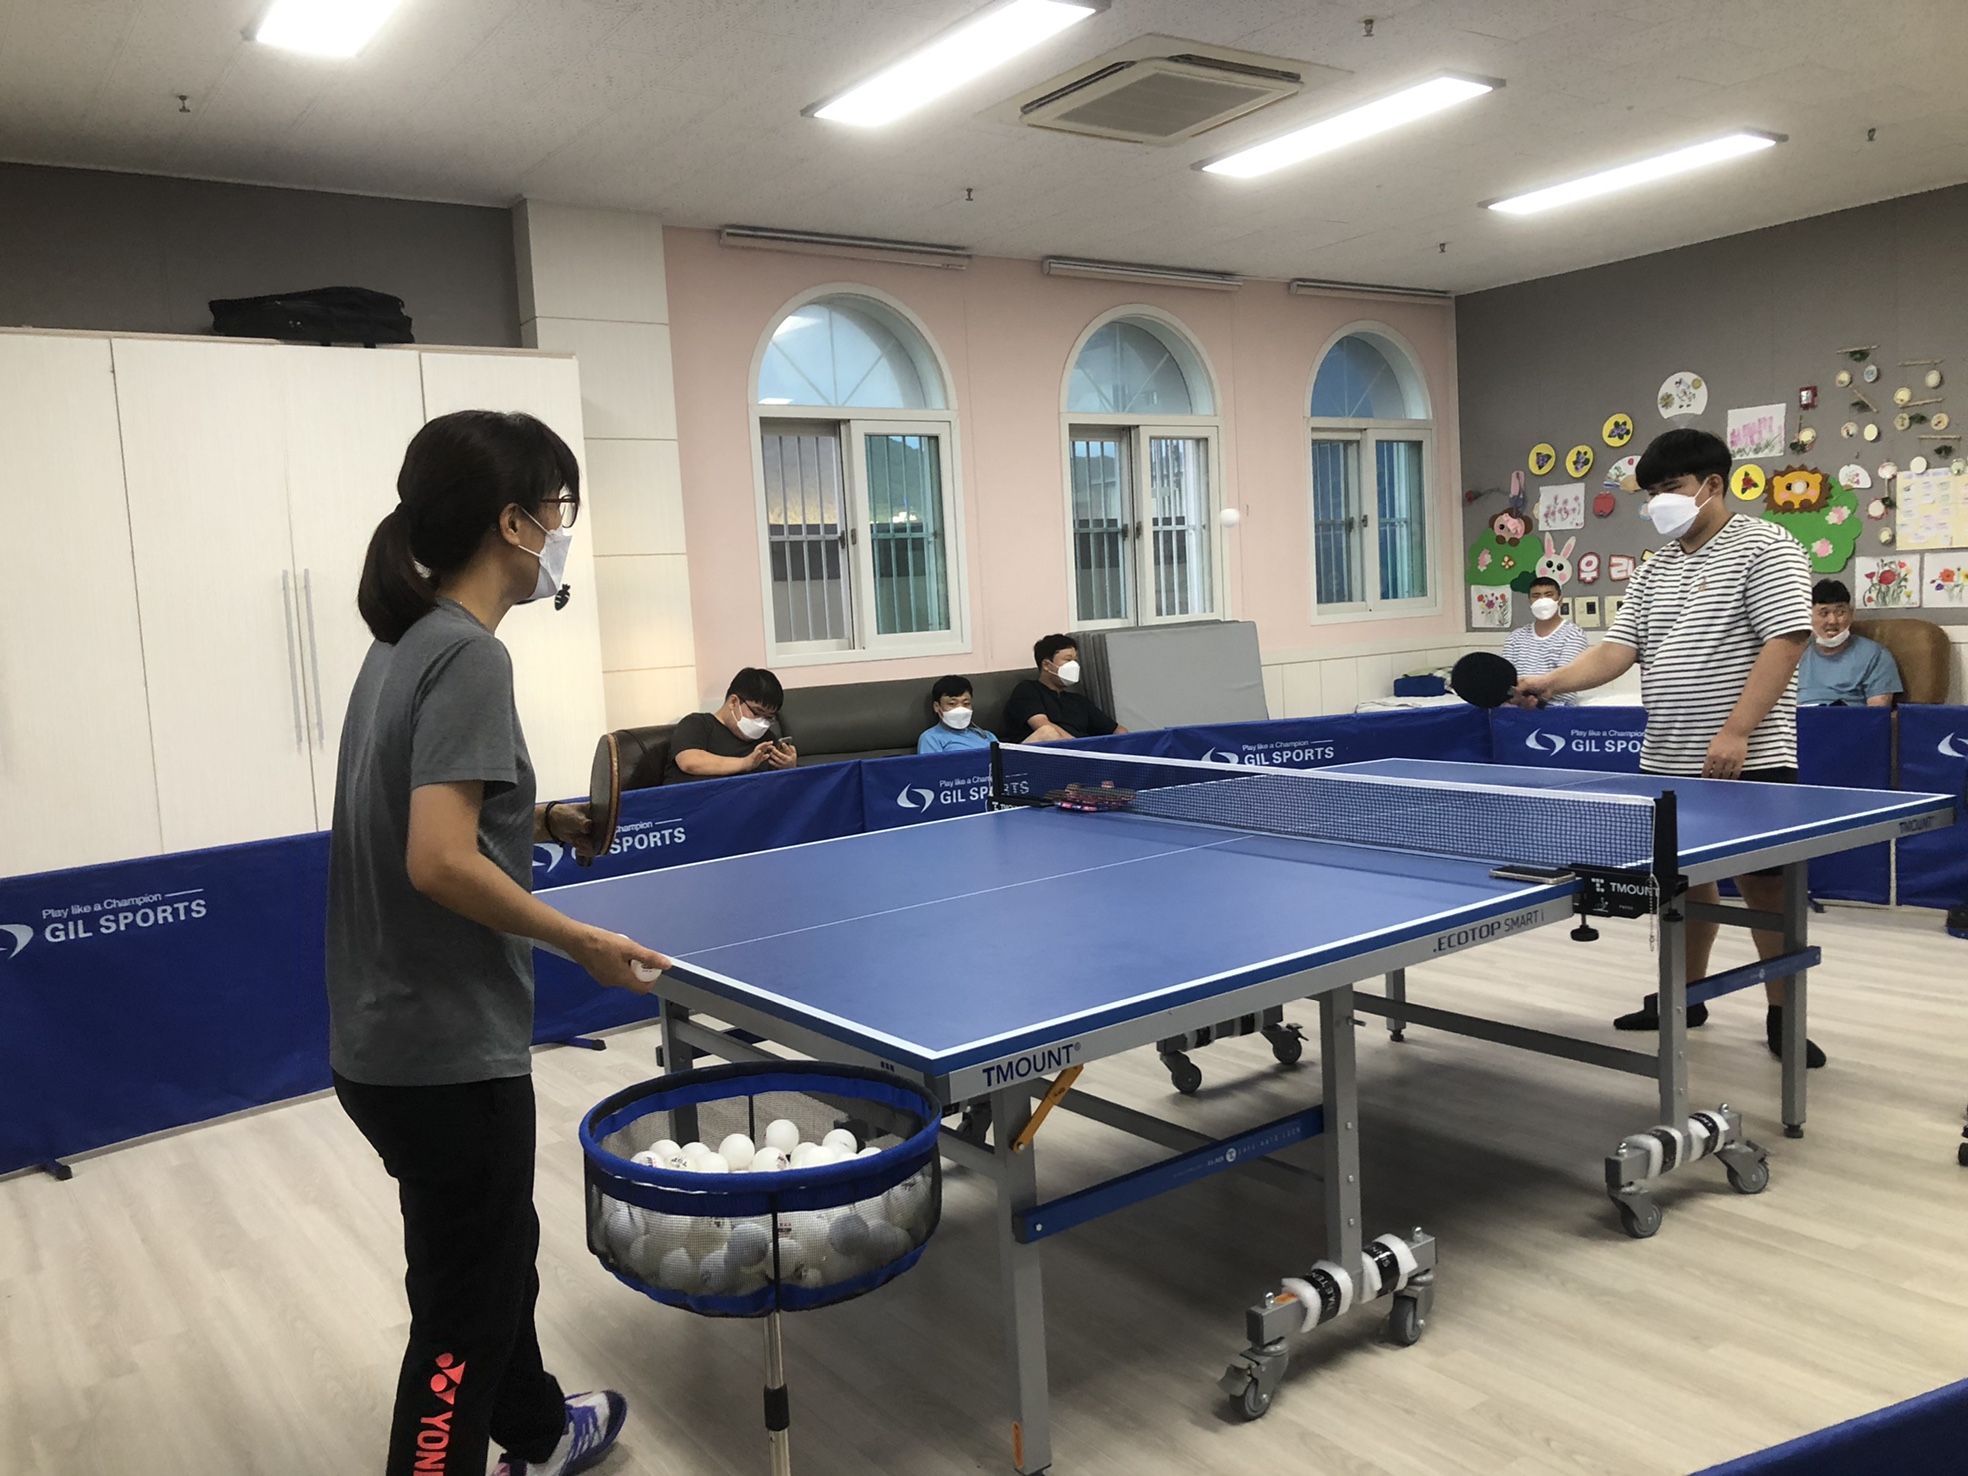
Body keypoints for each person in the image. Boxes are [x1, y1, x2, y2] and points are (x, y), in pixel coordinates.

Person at [332, 411, 669, 1476]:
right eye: (558, 507)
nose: (564, 530)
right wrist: (580, 941)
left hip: (383, 1040)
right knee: (463, 1308)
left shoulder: (404, 643)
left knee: (481, 1265)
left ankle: (536, 1434)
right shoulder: (471, 658)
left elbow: (435, 815)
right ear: (514, 524)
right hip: (446, 1051)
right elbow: (437, 860)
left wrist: (546, 819)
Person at [1513, 428, 1824, 1067]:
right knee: (1683, 886)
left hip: (1751, 755)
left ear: (1713, 484)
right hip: (1666, 758)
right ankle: (1685, 998)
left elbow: (1788, 640)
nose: (1659, 502)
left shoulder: (1768, 546)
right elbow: (1616, 650)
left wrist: (1737, 731)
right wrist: (1550, 681)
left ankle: (1783, 1014)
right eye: (1651, 492)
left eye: (1671, 487)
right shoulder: (1656, 567)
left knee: (1766, 889)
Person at [664, 668, 797, 783]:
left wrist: (789, 769)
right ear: (733, 702)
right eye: (757, 713)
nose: (762, 723)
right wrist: (745, 763)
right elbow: (689, 762)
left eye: (768, 717)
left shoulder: (767, 740)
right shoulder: (697, 724)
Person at [1796, 578, 1901, 707]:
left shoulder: (1875, 655)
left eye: (1840, 612)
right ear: (1808, 616)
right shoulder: (1795, 655)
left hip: (1849, 718)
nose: (1833, 621)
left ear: (1851, 614)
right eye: (1824, 613)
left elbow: (1877, 713)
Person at [1004, 635, 1127, 743]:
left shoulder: (1078, 700)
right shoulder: (1028, 690)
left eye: (1075, 660)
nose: (1074, 665)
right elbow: (1042, 725)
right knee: (1047, 732)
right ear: (1046, 665)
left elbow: (1117, 730)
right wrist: (1080, 750)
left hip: (1084, 754)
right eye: (1068, 660)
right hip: (1047, 754)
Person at [1503, 576, 1588, 707]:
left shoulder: (1573, 635)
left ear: (1560, 600)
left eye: (1549, 595)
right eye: (1536, 596)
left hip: (1557, 709)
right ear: (1530, 602)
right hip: (1516, 709)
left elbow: (1565, 679)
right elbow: (1505, 678)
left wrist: (1532, 692)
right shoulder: (1515, 637)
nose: (1542, 600)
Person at [918, 674, 994, 753]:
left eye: (966, 704)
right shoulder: (931, 738)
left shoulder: (986, 735)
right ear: (937, 707)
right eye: (952, 704)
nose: (960, 709)